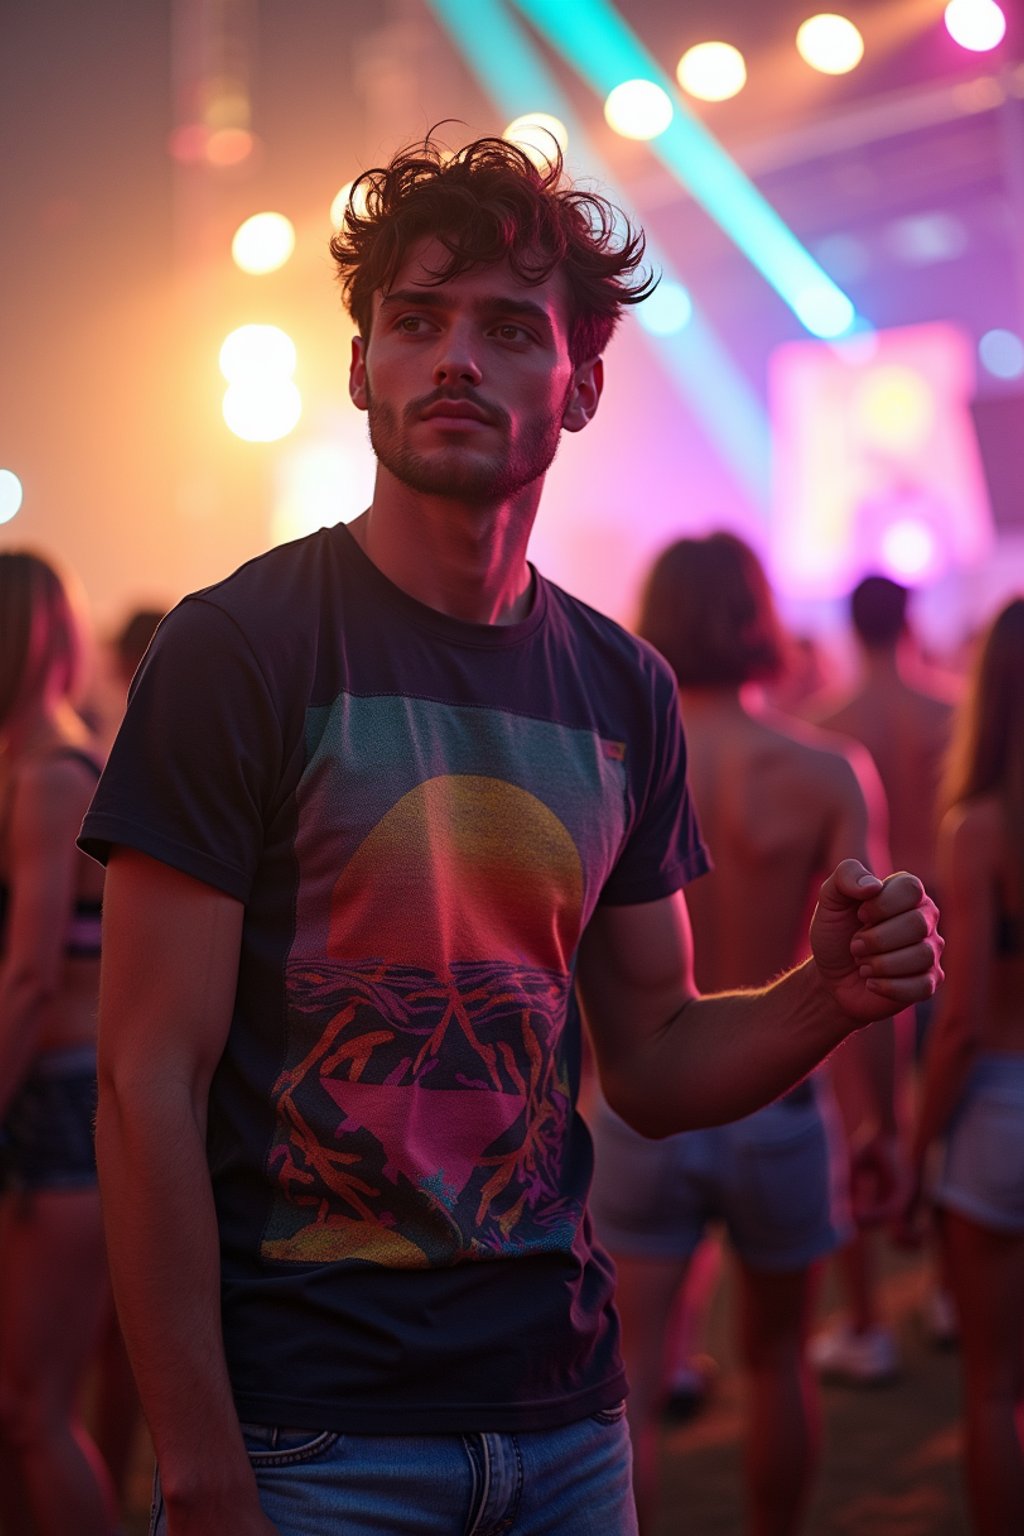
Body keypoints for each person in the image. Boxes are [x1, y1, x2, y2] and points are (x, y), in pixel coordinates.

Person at [79, 134, 942, 1536]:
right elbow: (144, 1083)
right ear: (362, 365)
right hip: (312, 1442)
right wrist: (197, 1458)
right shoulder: (237, 650)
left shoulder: (620, 688)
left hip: (565, 1426)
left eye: (505, 327)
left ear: (582, 382)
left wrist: (822, 1001)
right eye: (413, 321)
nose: (452, 360)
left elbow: (653, 1058)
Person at [589, 532, 897, 1536]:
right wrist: (877, 1126)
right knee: (776, 1362)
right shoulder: (825, 771)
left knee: (626, 1378)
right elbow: (866, 977)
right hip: (779, 1101)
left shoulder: (610, 764)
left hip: (635, 1102)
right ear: (759, 617)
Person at [809, 573, 957, 1378]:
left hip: (871, 942)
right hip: (954, 930)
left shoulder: (822, 725)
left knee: (859, 1125)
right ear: (910, 619)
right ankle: (950, 1290)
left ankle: (866, 1317)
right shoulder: (956, 710)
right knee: (950, 1111)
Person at [0, 551, 115, 1536]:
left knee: (34, 1411)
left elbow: (32, 977)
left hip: (50, 1107)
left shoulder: (49, 776)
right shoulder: (35, 764)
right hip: (45, 1102)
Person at [904, 596, 1024, 1536]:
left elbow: (962, 1020)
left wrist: (914, 1157)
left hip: (1000, 1114)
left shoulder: (980, 827)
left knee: (991, 1389)